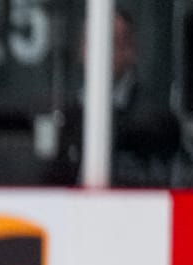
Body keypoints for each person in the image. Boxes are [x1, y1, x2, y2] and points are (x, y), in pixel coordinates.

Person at [52, 11, 184, 189]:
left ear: (130, 51)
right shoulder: (64, 110)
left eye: (109, 43)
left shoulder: (153, 115)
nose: (98, 53)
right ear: (81, 50)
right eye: (90, 43)